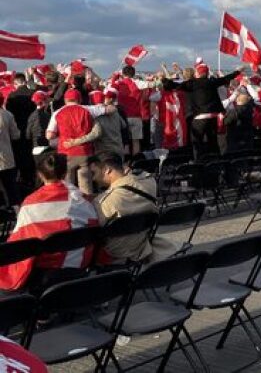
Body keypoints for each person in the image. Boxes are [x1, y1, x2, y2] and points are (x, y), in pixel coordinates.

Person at [0, 152, 98, 292]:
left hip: (44, 271)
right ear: (65, 173)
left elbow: (18, 243)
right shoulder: (82, 200)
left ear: (40, 174)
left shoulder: (29, 204)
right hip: (80, 265)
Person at [89, 152, 159, 266]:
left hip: (116, 253)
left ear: (107, 170)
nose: (93, 178)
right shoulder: (149, 182)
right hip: (142, 245)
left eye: (94, 172)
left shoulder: (103, 203)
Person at [163, 63, 242, 158]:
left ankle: (198, 164)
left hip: (200, 118)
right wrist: (238, 71)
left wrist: (164, 80)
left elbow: (174, 85)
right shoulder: (212, 82)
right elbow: (225, 78)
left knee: (196, 143)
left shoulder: (192, 83)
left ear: (198, 73)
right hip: (213, 117)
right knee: (213, 142)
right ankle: (216, 163)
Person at [46, 89, 103, 194]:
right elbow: (109, 109)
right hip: (85, 152)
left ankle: (71, 206)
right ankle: (87, 206)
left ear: (65, 100)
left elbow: (49, 135)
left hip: (66, 152)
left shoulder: (57, 112)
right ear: (79, 99)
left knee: (68, 186)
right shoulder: (88, 109)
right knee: (86, 185)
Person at [5, 73, 35, 196]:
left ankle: (23, 178)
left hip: (17, 129)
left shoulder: (12, 96)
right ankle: (30, 178)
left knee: (19, 154)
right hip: (32, 129)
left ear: (15, 83)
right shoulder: (32, 94)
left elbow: (9, 114)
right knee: (30, 154)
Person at [85, 90, 128, 157]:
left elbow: (95, 134)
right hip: (118, 147)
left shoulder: (94, 115)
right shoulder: (115, 111)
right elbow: (124, 125)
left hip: (103, 150)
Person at [115, 65, 146, 155]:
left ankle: (127, 162)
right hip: (136, 115)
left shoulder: (118, 84)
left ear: (123, 73)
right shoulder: (138, 83)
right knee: (136, 141)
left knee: (125, 142)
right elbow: (154, 84)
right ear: (134, 73)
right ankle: (136, 162)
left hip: (122, 116)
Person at [0, 95, 21, 206]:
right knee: (11, 187)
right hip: (6, 157)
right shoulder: (7, 115)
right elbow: (15, 135)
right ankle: (16, 212)